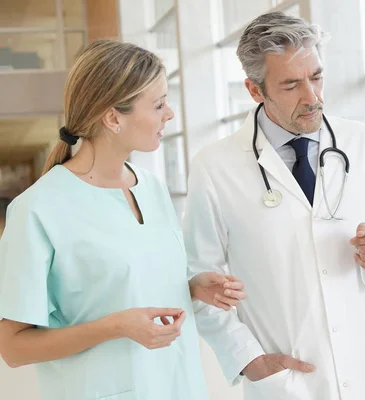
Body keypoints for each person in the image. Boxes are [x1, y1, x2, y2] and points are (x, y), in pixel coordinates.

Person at [183, 11, 365, 400]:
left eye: (317, 77)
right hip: (286, 378)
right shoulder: (215, 167)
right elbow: (197, 277)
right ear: (255, 90)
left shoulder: (360, 141)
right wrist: (246, 358)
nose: (312, 97)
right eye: (291, 85)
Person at [0, 40, 246, 400]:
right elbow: (14, 347)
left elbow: (130, 287)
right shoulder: (38, 209)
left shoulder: (152, 188)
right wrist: (114, 327)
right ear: (114, 118)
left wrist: (191, 289)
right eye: (159, 104)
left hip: (179, 386)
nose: (170, 114)